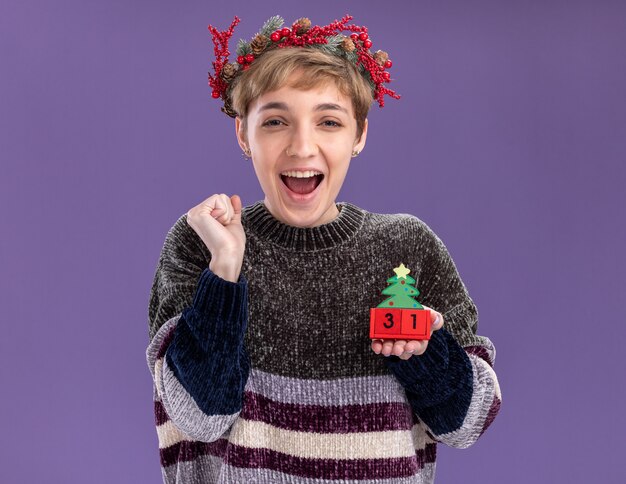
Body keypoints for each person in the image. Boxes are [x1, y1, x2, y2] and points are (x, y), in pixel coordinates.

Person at [146, 14, 501, 483]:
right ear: (242, 135)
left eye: (329, 121)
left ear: (359, 136)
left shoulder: (408, 247)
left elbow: (467, 423)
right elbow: (200, 417)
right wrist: (225, 274)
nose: (302, 146)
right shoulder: (201, 246)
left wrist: (424, 352)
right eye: (275, 121)